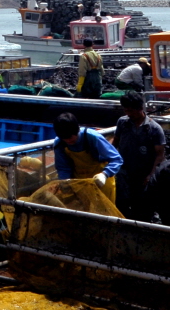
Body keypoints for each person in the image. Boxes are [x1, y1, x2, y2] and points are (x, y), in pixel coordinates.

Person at [112, 91, 166, 221]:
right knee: (121, 205)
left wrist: (151, 175)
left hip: (143, 175)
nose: (128, 114)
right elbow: (114, 144)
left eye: (131, 111)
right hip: (124, 173)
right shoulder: (122, 123)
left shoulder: (154, 129)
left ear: (140, 108)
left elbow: (160, 156)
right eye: (126, 111)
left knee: (142, 209)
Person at [52, 112, 122, 201]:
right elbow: (63, 168)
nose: (68, 141)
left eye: (70, 137)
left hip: (101, 182)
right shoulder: (60, 143)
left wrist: (105, 174)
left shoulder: (92, 137)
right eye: (64, 138)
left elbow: (116, 159)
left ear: (77, 130)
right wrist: (65, 183)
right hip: (80, 184)